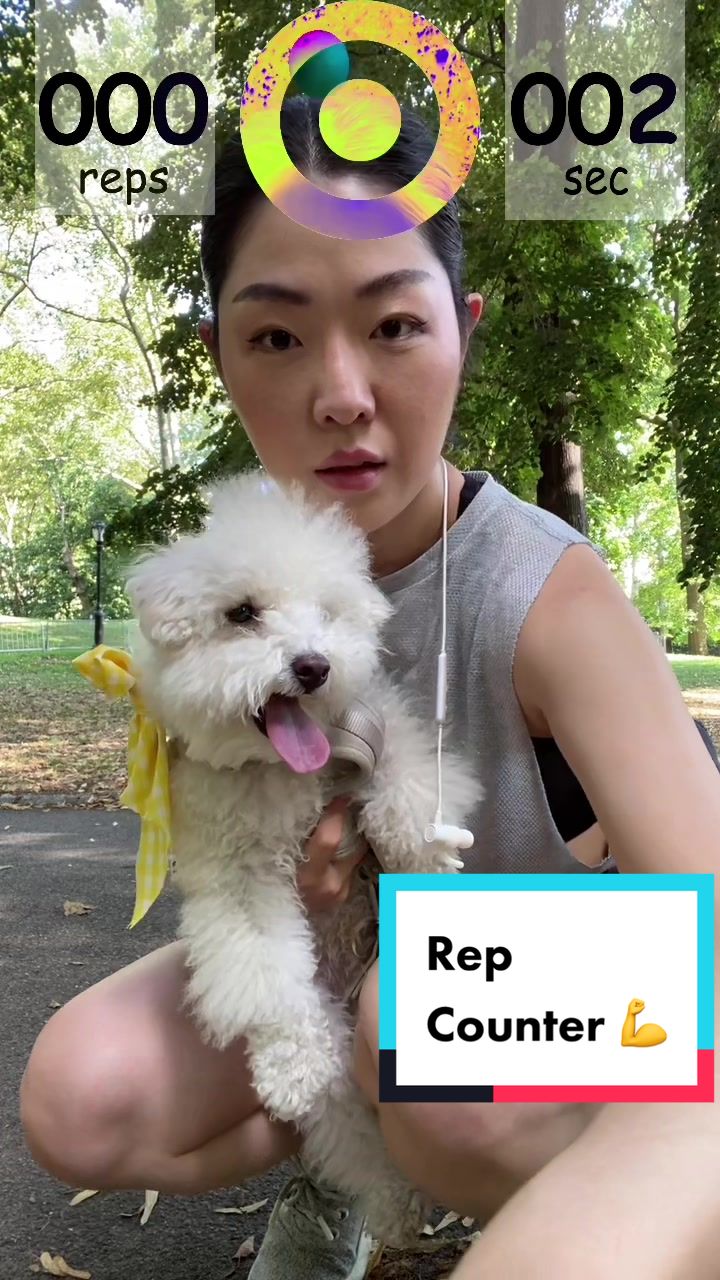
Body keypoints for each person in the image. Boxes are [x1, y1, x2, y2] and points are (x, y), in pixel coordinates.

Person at [19, 96, 720, 1279]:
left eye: (394, 324)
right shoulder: (230, 579)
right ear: (221, 353)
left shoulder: (547, 593)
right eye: (278, 336)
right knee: (83, 1096)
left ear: (462, 330)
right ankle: (349, 1161)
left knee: (421, 1039)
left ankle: (494, 1164)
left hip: (582, 1017)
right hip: (355, 965)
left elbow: (707, 939)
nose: (342, 392)